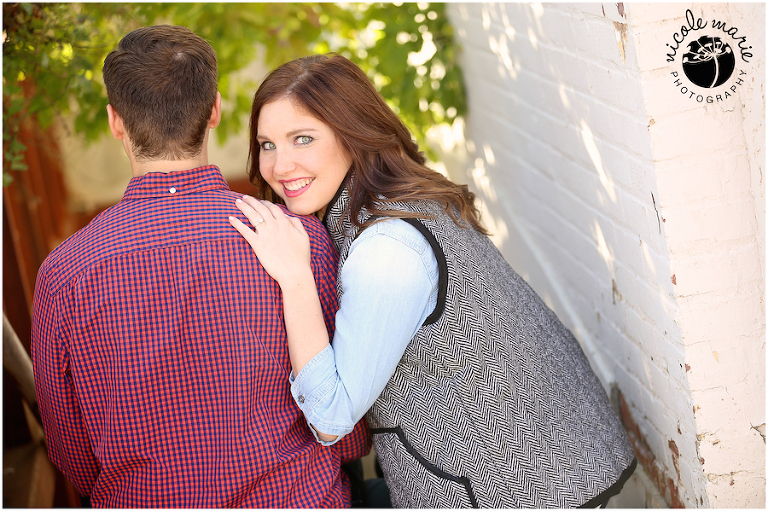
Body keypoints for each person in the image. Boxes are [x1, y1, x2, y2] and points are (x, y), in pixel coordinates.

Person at [229, 53, 637, 508]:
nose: (279, 166)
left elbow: (330, 417)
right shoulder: (396, 200)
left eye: (302, 139)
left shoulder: (386, 247)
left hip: (519, 491)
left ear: (352, 134)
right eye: (267, 145)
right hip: (557, 464)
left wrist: (295, 278)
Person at [31, 27, 370, 508]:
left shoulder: (63, 274)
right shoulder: (296, 239)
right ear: (214, 110)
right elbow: (348, 428)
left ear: (115, 122)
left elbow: (71, 453)